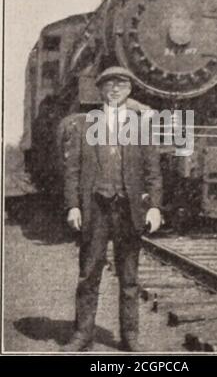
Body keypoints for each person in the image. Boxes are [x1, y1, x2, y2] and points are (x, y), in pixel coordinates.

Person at [62, 66, 162, 352]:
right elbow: (73, 170)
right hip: (95, 208)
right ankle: (82, 335)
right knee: (88, 274)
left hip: (129, 210)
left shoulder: (141, 125)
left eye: (121, 85)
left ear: (129, 90)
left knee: (129, 278)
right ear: (100, 90)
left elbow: (153, 172)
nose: (115, 89)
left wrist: (154, 207)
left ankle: (130, 338)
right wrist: (73, 206)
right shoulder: (84, 123)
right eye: (109, 85)